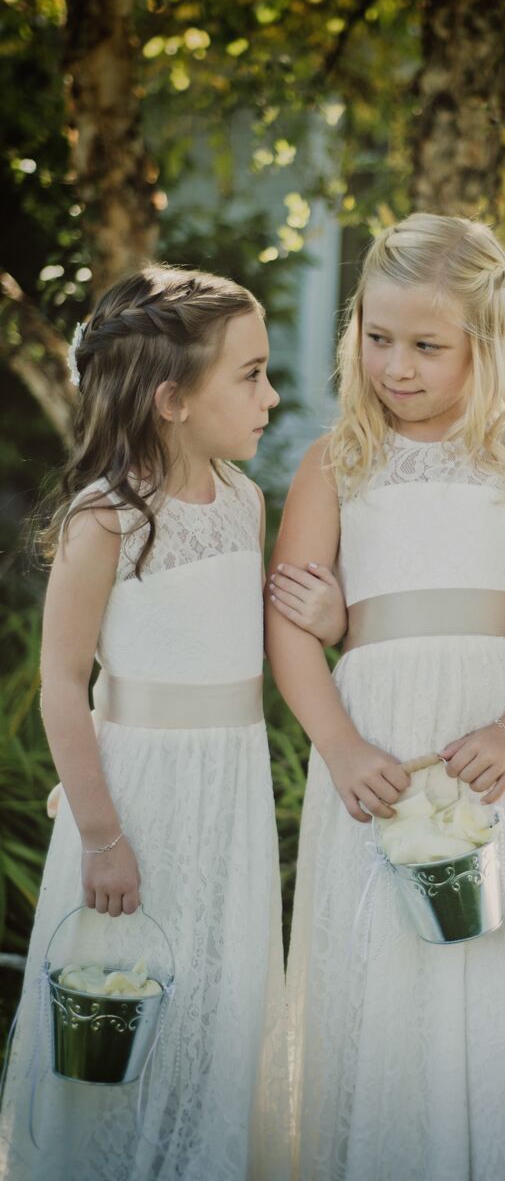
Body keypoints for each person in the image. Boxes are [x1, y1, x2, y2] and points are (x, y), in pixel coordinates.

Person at [266, 212, 505, 1181]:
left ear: (483, 345)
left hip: (490, 748)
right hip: (376, 746)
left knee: (493, 970)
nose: (397, 366)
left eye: (427, 345)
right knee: (380, 970)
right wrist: (336, 746)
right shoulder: (334, 462)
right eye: (378, 339)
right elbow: (290, 627)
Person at [0, 266, 291, 1181]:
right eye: (248, 375)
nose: (270, 396)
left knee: (214, 991)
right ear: (171, 398)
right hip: (139, 799)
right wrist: (99, 836)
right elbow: (60, 685)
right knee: (125, 996)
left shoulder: (244, 501)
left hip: (229, 788)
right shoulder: (108, 518)